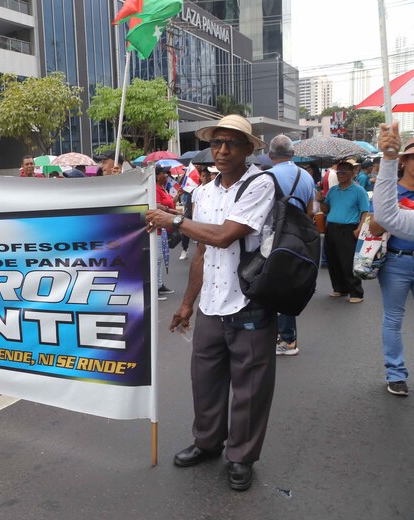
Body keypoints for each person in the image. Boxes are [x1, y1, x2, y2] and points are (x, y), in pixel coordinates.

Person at [146, 115, 276, 492]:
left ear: (248, 148)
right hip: (211, 305)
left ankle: (241, 456)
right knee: (204, 382)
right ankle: (207, 442)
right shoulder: (203, 192)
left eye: (231, 143)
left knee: (250, 389)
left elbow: (224, 236)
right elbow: (203, 251)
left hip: (249, 302)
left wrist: (174, 221)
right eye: (216, 143)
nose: (221, 150)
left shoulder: (260, 184)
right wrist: (187, 303)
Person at [371, 125, 414, 397]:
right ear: (404, 161)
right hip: (396, 263)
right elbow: (375, 226)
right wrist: (393, 212)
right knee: (393, 319)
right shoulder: (389, 190)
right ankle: (395, 373)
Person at [266, 135, 315, 356]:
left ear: (270, 155)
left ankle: (283, 338)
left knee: (270, 285)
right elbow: (311, 212)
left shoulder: (266, 176)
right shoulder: (306, 176)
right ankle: (288, 338)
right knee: (288, 285)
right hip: (300, 238)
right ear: (293, 154)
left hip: (274, 238)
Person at [315, 160, 370, 304]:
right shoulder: (333, 190)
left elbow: (365, 211)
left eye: (344, 172)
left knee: (348, 261)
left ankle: (356, 292)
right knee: (333, 260)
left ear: (352, 173)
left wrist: (360, 228)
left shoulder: (359, 191)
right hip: (332, 227)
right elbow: (326, 209)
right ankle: (339, 288)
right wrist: (321, 201)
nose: (340, 175)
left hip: (348, 228)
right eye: (338, 172)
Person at [154, 165, 176, 299]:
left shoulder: (163, 188)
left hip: (163, 228)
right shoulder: (155, 189)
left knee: (161, 258)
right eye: (163, 173)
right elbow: (157, 206)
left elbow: (168, 204)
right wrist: (172, 211)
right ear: (157, 176)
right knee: (156, 259)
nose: (166, 175)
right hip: (156, 228)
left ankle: (159, 284)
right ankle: (153, 289)